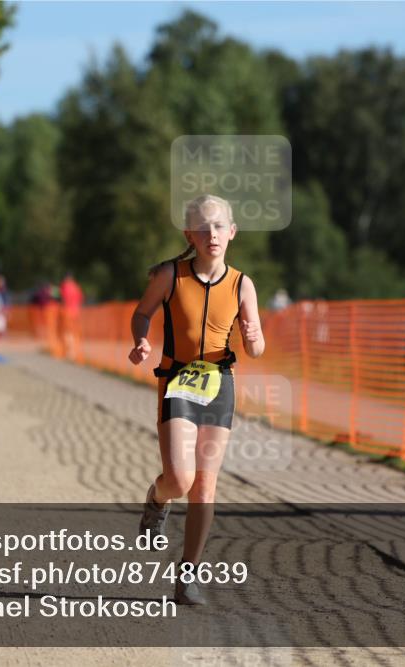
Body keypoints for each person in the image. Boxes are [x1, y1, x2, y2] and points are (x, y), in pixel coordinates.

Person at [128, 194, 265, 605]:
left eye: (220, 226)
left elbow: (257, 348)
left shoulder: (243, 284)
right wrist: (140, 339)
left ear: (233, 232)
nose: (213, 235)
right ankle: (157, 498)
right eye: (203, 228)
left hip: (220, 383)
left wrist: (254, 338)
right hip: (177, 379)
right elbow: (142, 312)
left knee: (204, 486)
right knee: (180, 480)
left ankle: (187, 576)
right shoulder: (171, 275)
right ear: (189, 234)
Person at [59, 272, 84, 360]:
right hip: (77, 312)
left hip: (67, 312)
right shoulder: (77, 286)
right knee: (74, 332)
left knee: (67, 332)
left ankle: (70, 352)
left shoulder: (65, 286)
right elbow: (81, 298)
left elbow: (62, 298)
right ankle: (74, 351)